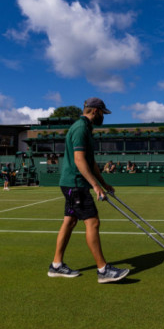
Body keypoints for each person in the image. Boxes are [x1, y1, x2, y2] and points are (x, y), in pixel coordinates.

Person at [48, 97, 129, 283]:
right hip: (76, 183)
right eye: (103, 113)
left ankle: (56, 265)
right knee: (92, 222)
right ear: (96, 111)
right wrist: (94, 185)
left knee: (69, 222)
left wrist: (103, 183)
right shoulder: (80, 128)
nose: (104, 117)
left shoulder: (86, 128)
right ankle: (103, 270)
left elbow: (90, 162)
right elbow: (79, 160)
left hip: (73, 183)